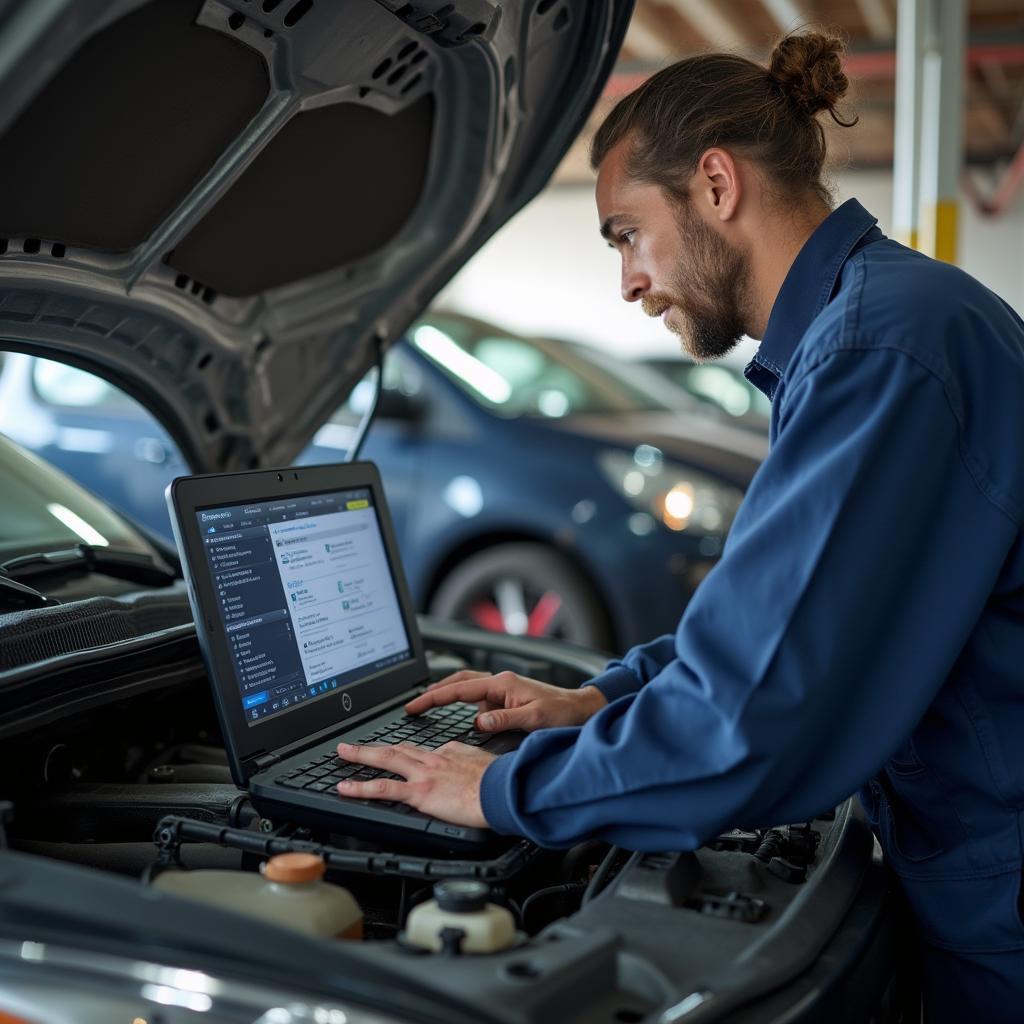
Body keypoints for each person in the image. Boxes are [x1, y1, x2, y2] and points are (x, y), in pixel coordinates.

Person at [336, 30, 1024, 1019]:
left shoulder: (881, 351)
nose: (625, 280)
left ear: (714, 184)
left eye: (623, 232)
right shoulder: (867, 328)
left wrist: (496, 791)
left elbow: (750, 714)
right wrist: (597, 699)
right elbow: (768, 619)